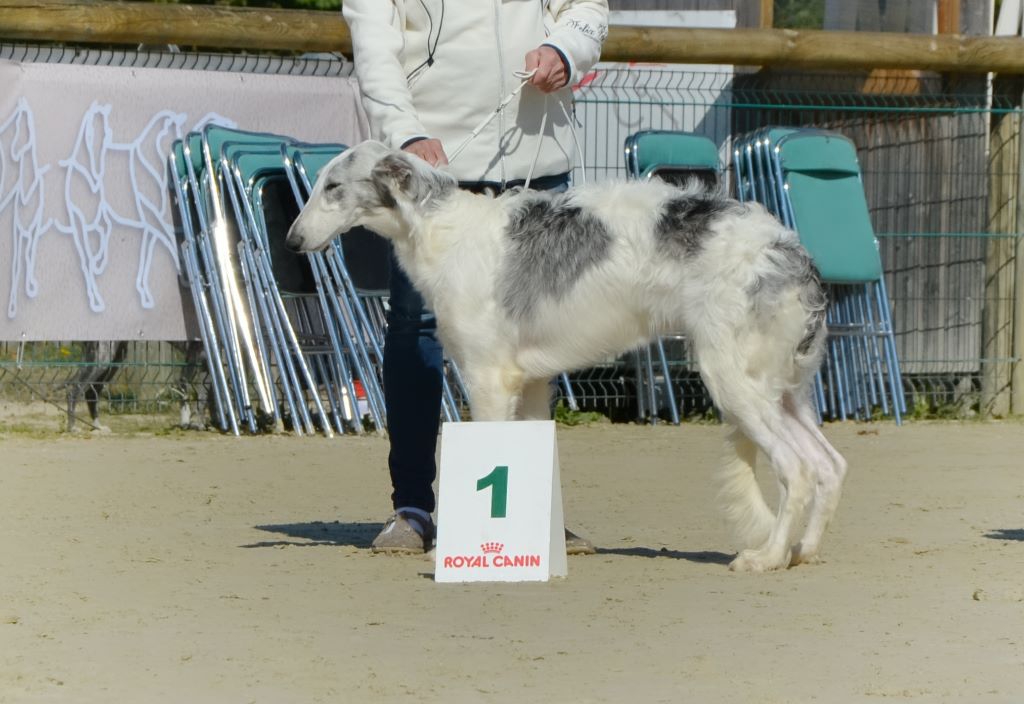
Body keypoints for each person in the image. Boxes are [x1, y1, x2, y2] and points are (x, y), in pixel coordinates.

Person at [341, 0, 609, 554]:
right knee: (417, 332)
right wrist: (407, 134)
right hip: (431, 167)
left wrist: (565, 49)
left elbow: (585, 8)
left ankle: (530, 511)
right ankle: (412, 508)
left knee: (539, 338)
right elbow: (374, 46)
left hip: (540, 162)